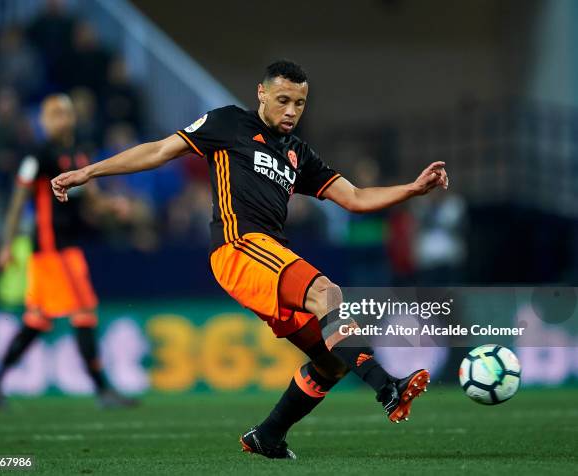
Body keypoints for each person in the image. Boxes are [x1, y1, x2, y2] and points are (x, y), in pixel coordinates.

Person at [50, 60, 449, 458]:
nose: (291, 111)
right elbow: (159, 150)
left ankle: (268, 437)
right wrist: (89, 172)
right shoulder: (228, 124)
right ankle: (387, 387)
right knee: (327, 293)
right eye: (282, 100)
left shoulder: (299, 154)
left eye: (299, 103)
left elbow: (356, 197)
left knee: (331, 363)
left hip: (269, 256)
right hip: (238, 247)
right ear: (261, 94)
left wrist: (412, 189)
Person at [0, 94, 137, 410]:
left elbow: (90, 198)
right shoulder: (38, 155)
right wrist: (6, 244)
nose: (59, 118)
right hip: (53, 250)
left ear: (71, 117)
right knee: (84, 313)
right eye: (52, 114)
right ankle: (103, 391)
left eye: (63, 112)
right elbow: (17, 202)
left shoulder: (76, 154)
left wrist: (112, 206)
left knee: (36, 321)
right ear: (43, 121)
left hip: (65, 248)